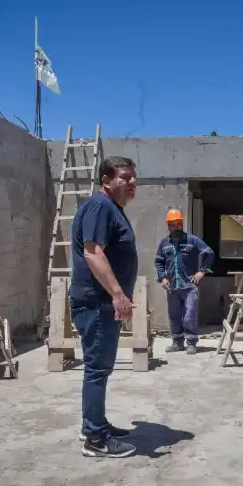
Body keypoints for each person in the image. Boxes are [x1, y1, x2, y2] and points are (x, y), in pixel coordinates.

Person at [69, 155, 139, 459]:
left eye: (133, 177)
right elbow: (93, 252)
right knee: (97, 369)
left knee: (101, 369)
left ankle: (96, 424)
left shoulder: (113, 209)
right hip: (97, 303)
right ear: (106, 180)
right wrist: (117, 294)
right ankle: (95, 439)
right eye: (124, 177)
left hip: (101, 303)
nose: (132, 182)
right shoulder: (100, 206)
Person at [155, 209, 214, 355]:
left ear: (182, 224)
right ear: (168, 225)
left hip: (189, 286)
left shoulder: (192, 240)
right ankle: (177, 342)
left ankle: (191, 342)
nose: (176, 227)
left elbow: (209, 253)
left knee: (189, 315)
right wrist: (162, 278)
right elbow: (158, 261)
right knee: (174, 315)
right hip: (172, 287)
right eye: (173, 224)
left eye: (179, 224)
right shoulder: (164, 243)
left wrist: (202, 271)